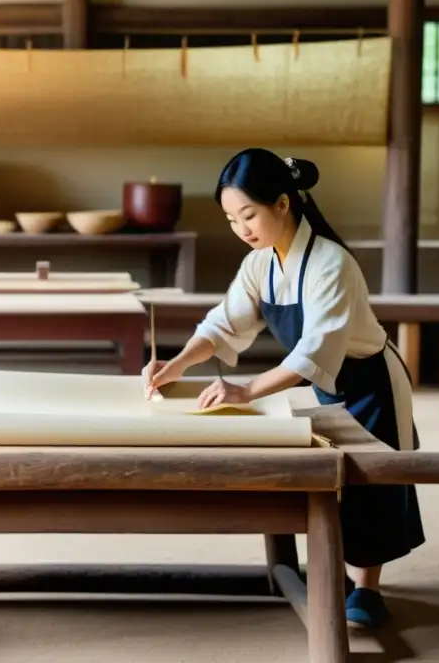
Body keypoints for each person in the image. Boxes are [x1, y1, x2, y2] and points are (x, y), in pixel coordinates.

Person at [144, 147, 424, 630]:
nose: (242, 229)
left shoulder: (330, 264)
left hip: (370, 380)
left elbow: (312, 353)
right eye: (232, 219)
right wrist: (177, 364)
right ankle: (337, 573)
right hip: (330, 382)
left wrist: (246, 391)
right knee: (335, 476)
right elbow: (222, 323)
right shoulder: (260, 264)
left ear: (282, 203)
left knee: (372, 484)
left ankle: (368, 589)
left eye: (248, 214)